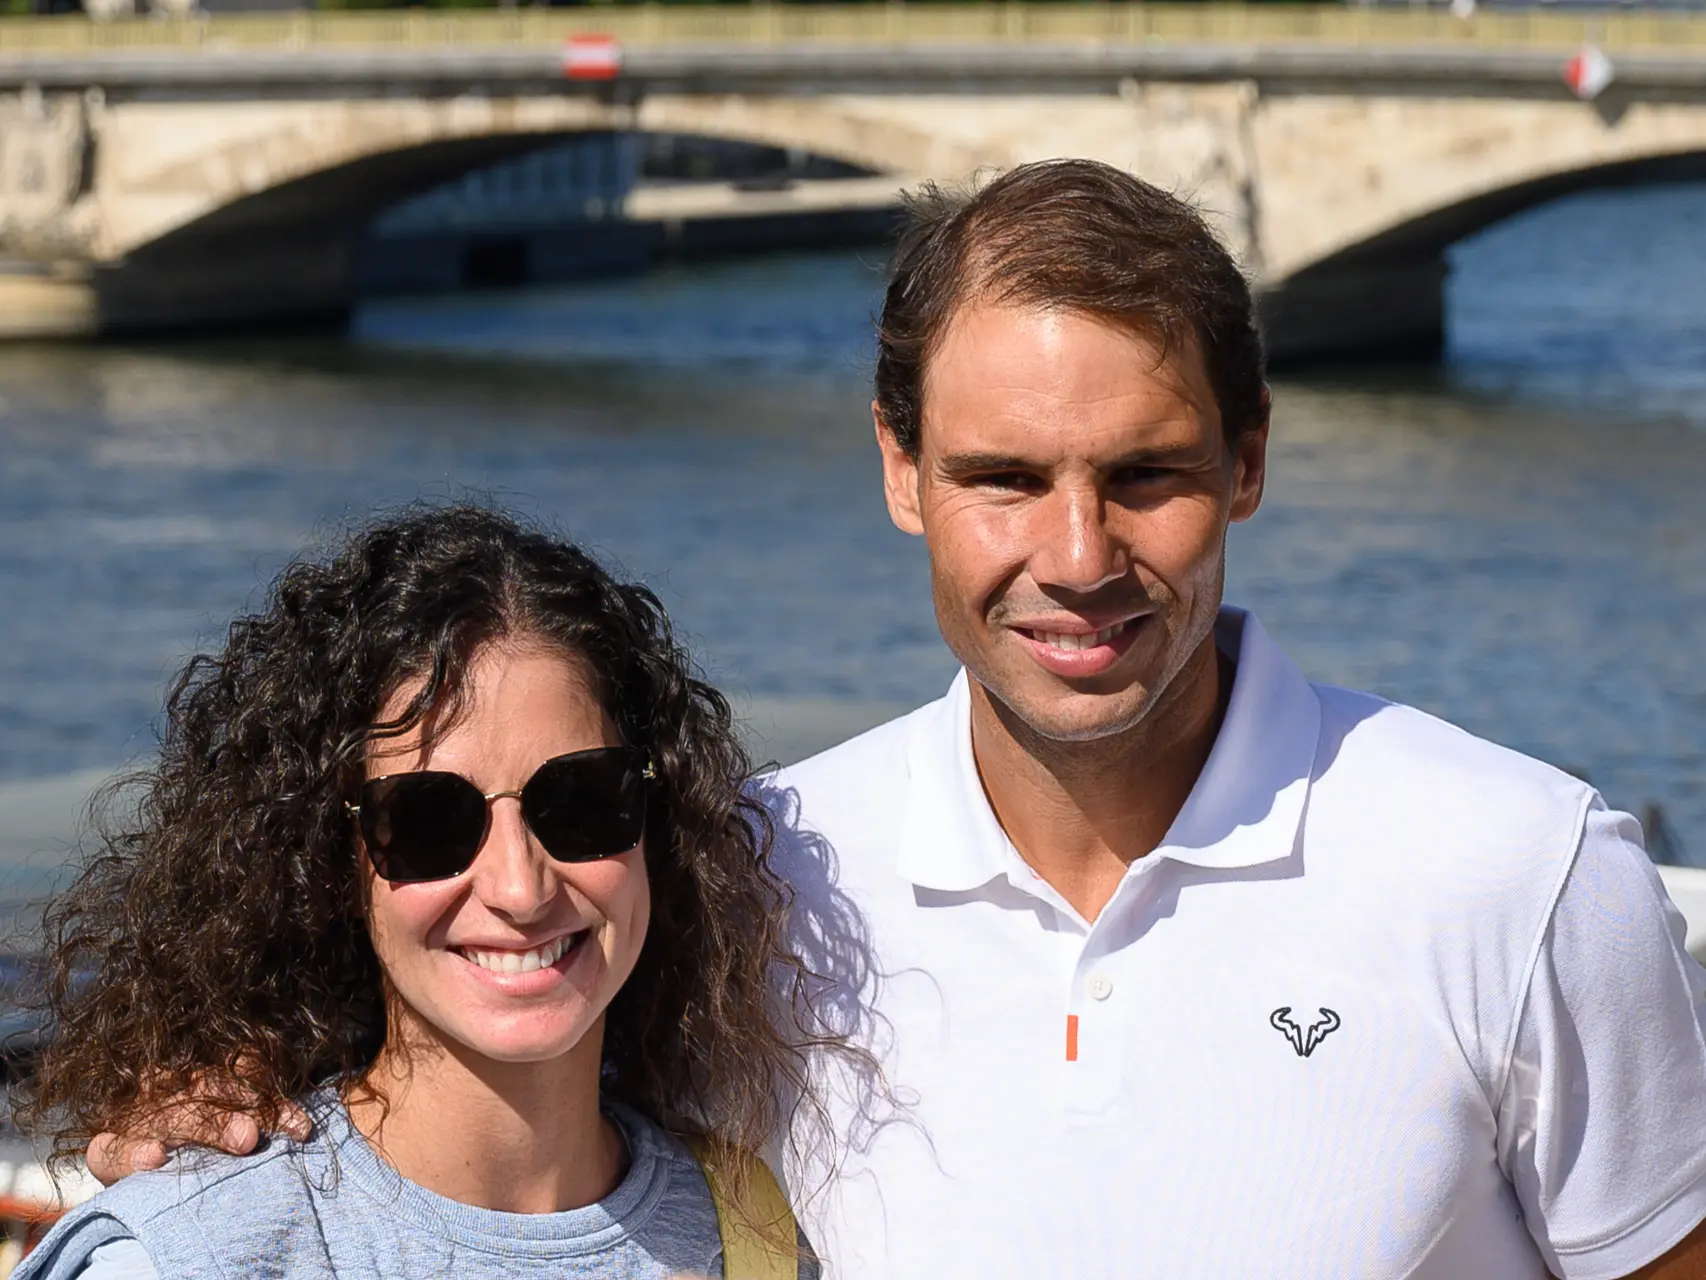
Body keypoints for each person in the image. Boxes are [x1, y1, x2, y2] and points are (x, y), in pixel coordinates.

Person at [86, 161, 1706, 1278]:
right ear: (898, 470)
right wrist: (229, 1087)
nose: (1076, 561)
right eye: (1004, 479)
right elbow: (486, 1022)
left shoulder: (1524, 873)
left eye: (1141, 474)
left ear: (1248, 463)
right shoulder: (758, 885)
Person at [17, 506, 837, 1280]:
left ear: (656, 824)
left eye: (582, 802)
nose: (519, 886)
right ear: (329, 863)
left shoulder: (752, 1236)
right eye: (428, 820)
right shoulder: (201, 1254)